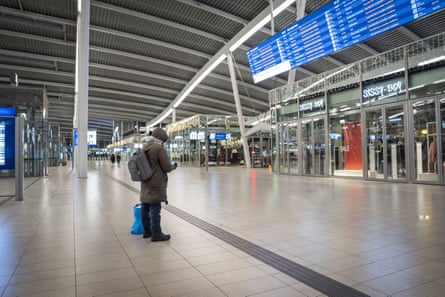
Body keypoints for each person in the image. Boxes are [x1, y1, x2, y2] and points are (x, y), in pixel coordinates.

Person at [140, 127, 177, 242]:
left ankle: (147, 232)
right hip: (156, 182)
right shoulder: (159, 148)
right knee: (155, 209)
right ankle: (156, 234)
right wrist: (173, 166)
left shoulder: (146, 147)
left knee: (145, 206)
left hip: (145, 180)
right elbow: (166, 167)